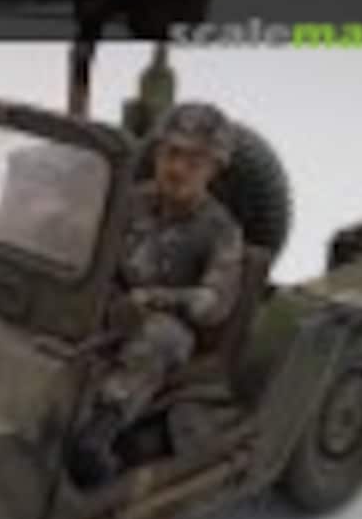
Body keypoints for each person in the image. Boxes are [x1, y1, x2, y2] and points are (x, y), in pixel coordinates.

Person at [75, 101, 245, 483]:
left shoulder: (220, 230)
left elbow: (213, 303)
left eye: (194, 161)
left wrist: (156, 298)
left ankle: (101, 431)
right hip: (112, 307)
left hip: (168, 328)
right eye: (171, 153)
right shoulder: (130, 201)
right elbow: (91, 247)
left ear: (214, 169)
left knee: (161, 336)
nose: (177, 168)